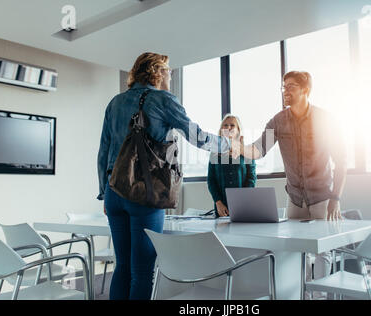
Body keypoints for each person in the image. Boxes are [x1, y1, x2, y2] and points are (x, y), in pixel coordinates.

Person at [97, 52, 231, 300]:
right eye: (168, 70)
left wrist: (104, 192)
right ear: (156, 72)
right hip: (144, 193)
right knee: (142, 270)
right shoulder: (163, 99)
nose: (171, 74)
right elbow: (197, 136)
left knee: (123, 266)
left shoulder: (114, 103)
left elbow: (103, 151)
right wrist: (226, 144)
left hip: (114, 193)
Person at [237, 71, 347, 299]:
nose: (285, 91)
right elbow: (258, 149)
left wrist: (335, 199)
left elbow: (341, 161)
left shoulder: (325, 119)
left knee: (322, 253)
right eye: (283, 87)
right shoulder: (278, 120)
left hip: (322, 198)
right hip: (295, 199)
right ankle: (303, 296)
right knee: (298, 252)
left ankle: (319, 296)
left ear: (306, 90)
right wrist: (240, 149)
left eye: (291, 86)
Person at [207, 114, 257, 217]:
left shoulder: (247, 152)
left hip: (243, 206)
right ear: (221, 130)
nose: (228, 127)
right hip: (222, 210)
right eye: (225, 125)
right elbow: (211, 180)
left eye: (232, 125)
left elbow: (251, 178)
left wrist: (242, 201)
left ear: (238, 130)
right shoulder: (214, 153)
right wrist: (218, 202)